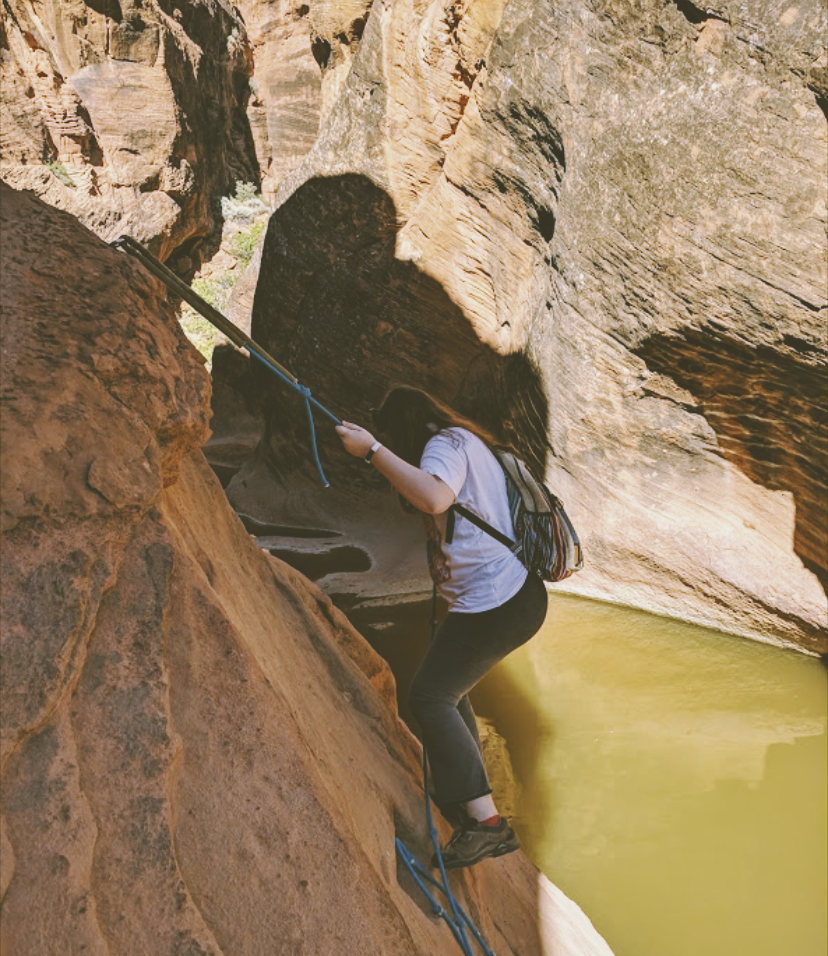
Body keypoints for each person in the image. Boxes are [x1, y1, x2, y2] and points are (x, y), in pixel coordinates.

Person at [336, 385, 548, 869]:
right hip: (501, 599)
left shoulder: (444, 444)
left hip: (501, 602)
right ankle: (467, 801)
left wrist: (372, 450)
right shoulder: (459, 441)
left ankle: (488, 825)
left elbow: (434, 498)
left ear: (403, 427)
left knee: (430, 697)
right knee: (448, 693)